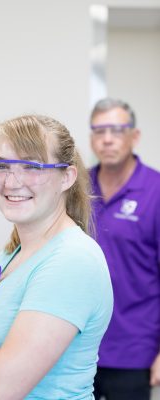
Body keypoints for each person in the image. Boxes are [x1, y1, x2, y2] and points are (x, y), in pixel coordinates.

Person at [0, 114, 113, 400]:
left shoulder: (72, 260)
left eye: (31, 166)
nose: (12, 181)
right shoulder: (10, 254)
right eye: (2, 166)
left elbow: (1, 390)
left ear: (66, 177)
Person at [89, 98, 160, 400]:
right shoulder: (77, 188)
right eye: (99, 130)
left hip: (134, 352)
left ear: (135, 136)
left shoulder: (155, 191)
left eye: (117, 130)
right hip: (78, 348)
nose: (107, 139)